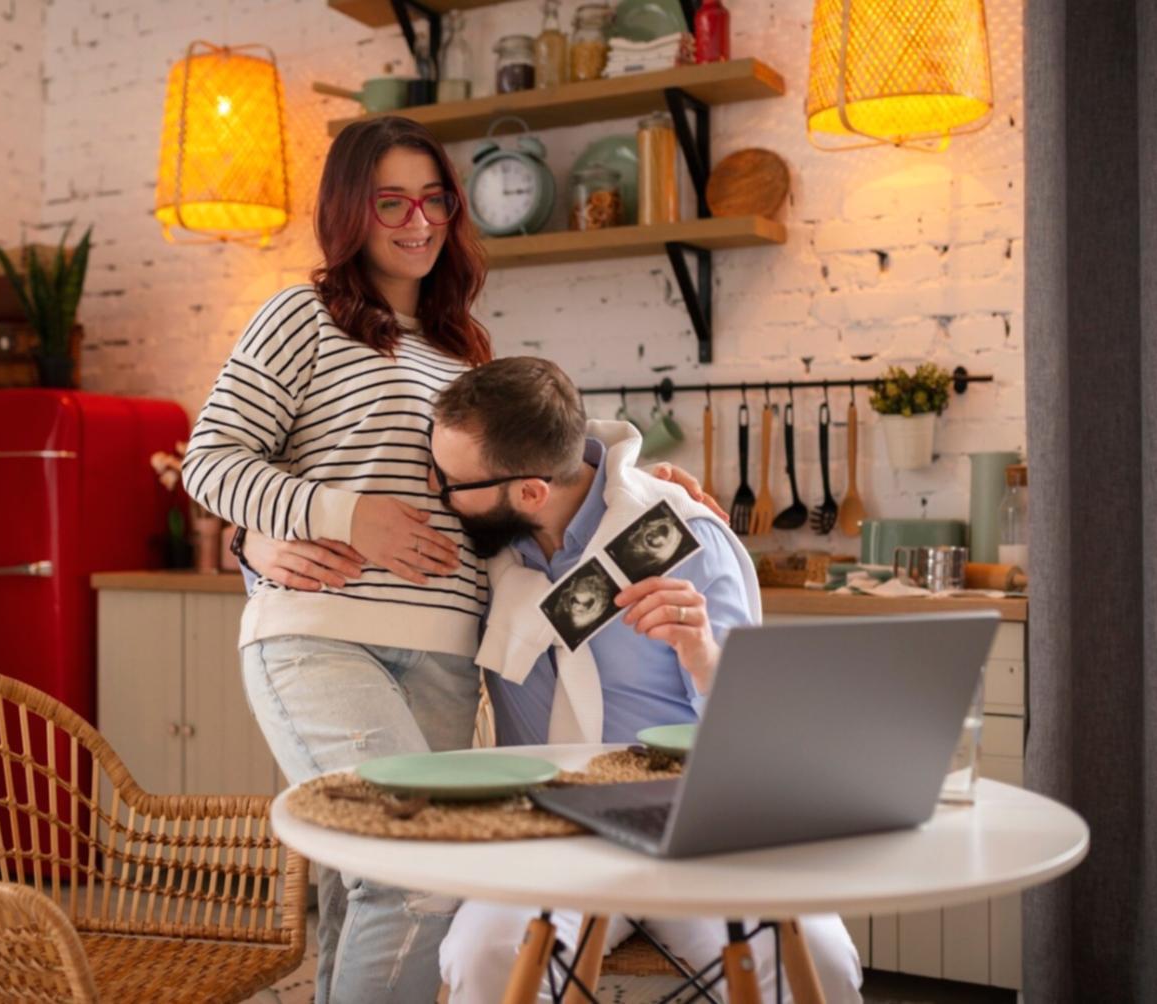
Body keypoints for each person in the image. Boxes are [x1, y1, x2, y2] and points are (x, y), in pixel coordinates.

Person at [182, 117, 712, 1003]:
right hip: (323, 635)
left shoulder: (467, 342)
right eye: (390, 200)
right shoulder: (299, 316)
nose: (416, 220)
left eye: (432, 199)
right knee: (415, 873)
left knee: (373, 883)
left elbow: (526, 474)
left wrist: (629, 479)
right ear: (349, 210)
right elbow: (211, 459)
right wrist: (338, 517)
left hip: (443, 651)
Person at [426, 357, 864, 1004]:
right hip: (545, 824)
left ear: (529, 493)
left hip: (684, 819)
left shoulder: (685, 535)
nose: (437, 490)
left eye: (452, 482)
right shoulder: (476, 545)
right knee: (484, 956)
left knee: (815, 961)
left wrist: (702, 654)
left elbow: (750, 729)